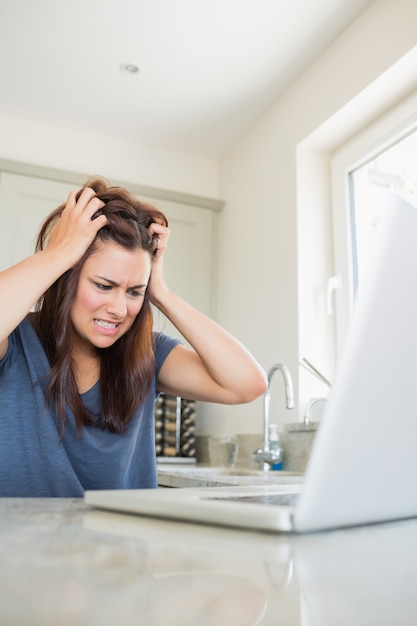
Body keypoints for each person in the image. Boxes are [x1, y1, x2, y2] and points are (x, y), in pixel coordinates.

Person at [0, 177, 267, 496]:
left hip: (123, 546)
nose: (119, 308)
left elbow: (248, 383)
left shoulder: (149, 354)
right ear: (67, 277)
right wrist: (59, 254)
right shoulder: (15, 340)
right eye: (103, 285)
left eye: (133, 292)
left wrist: (161, 292)